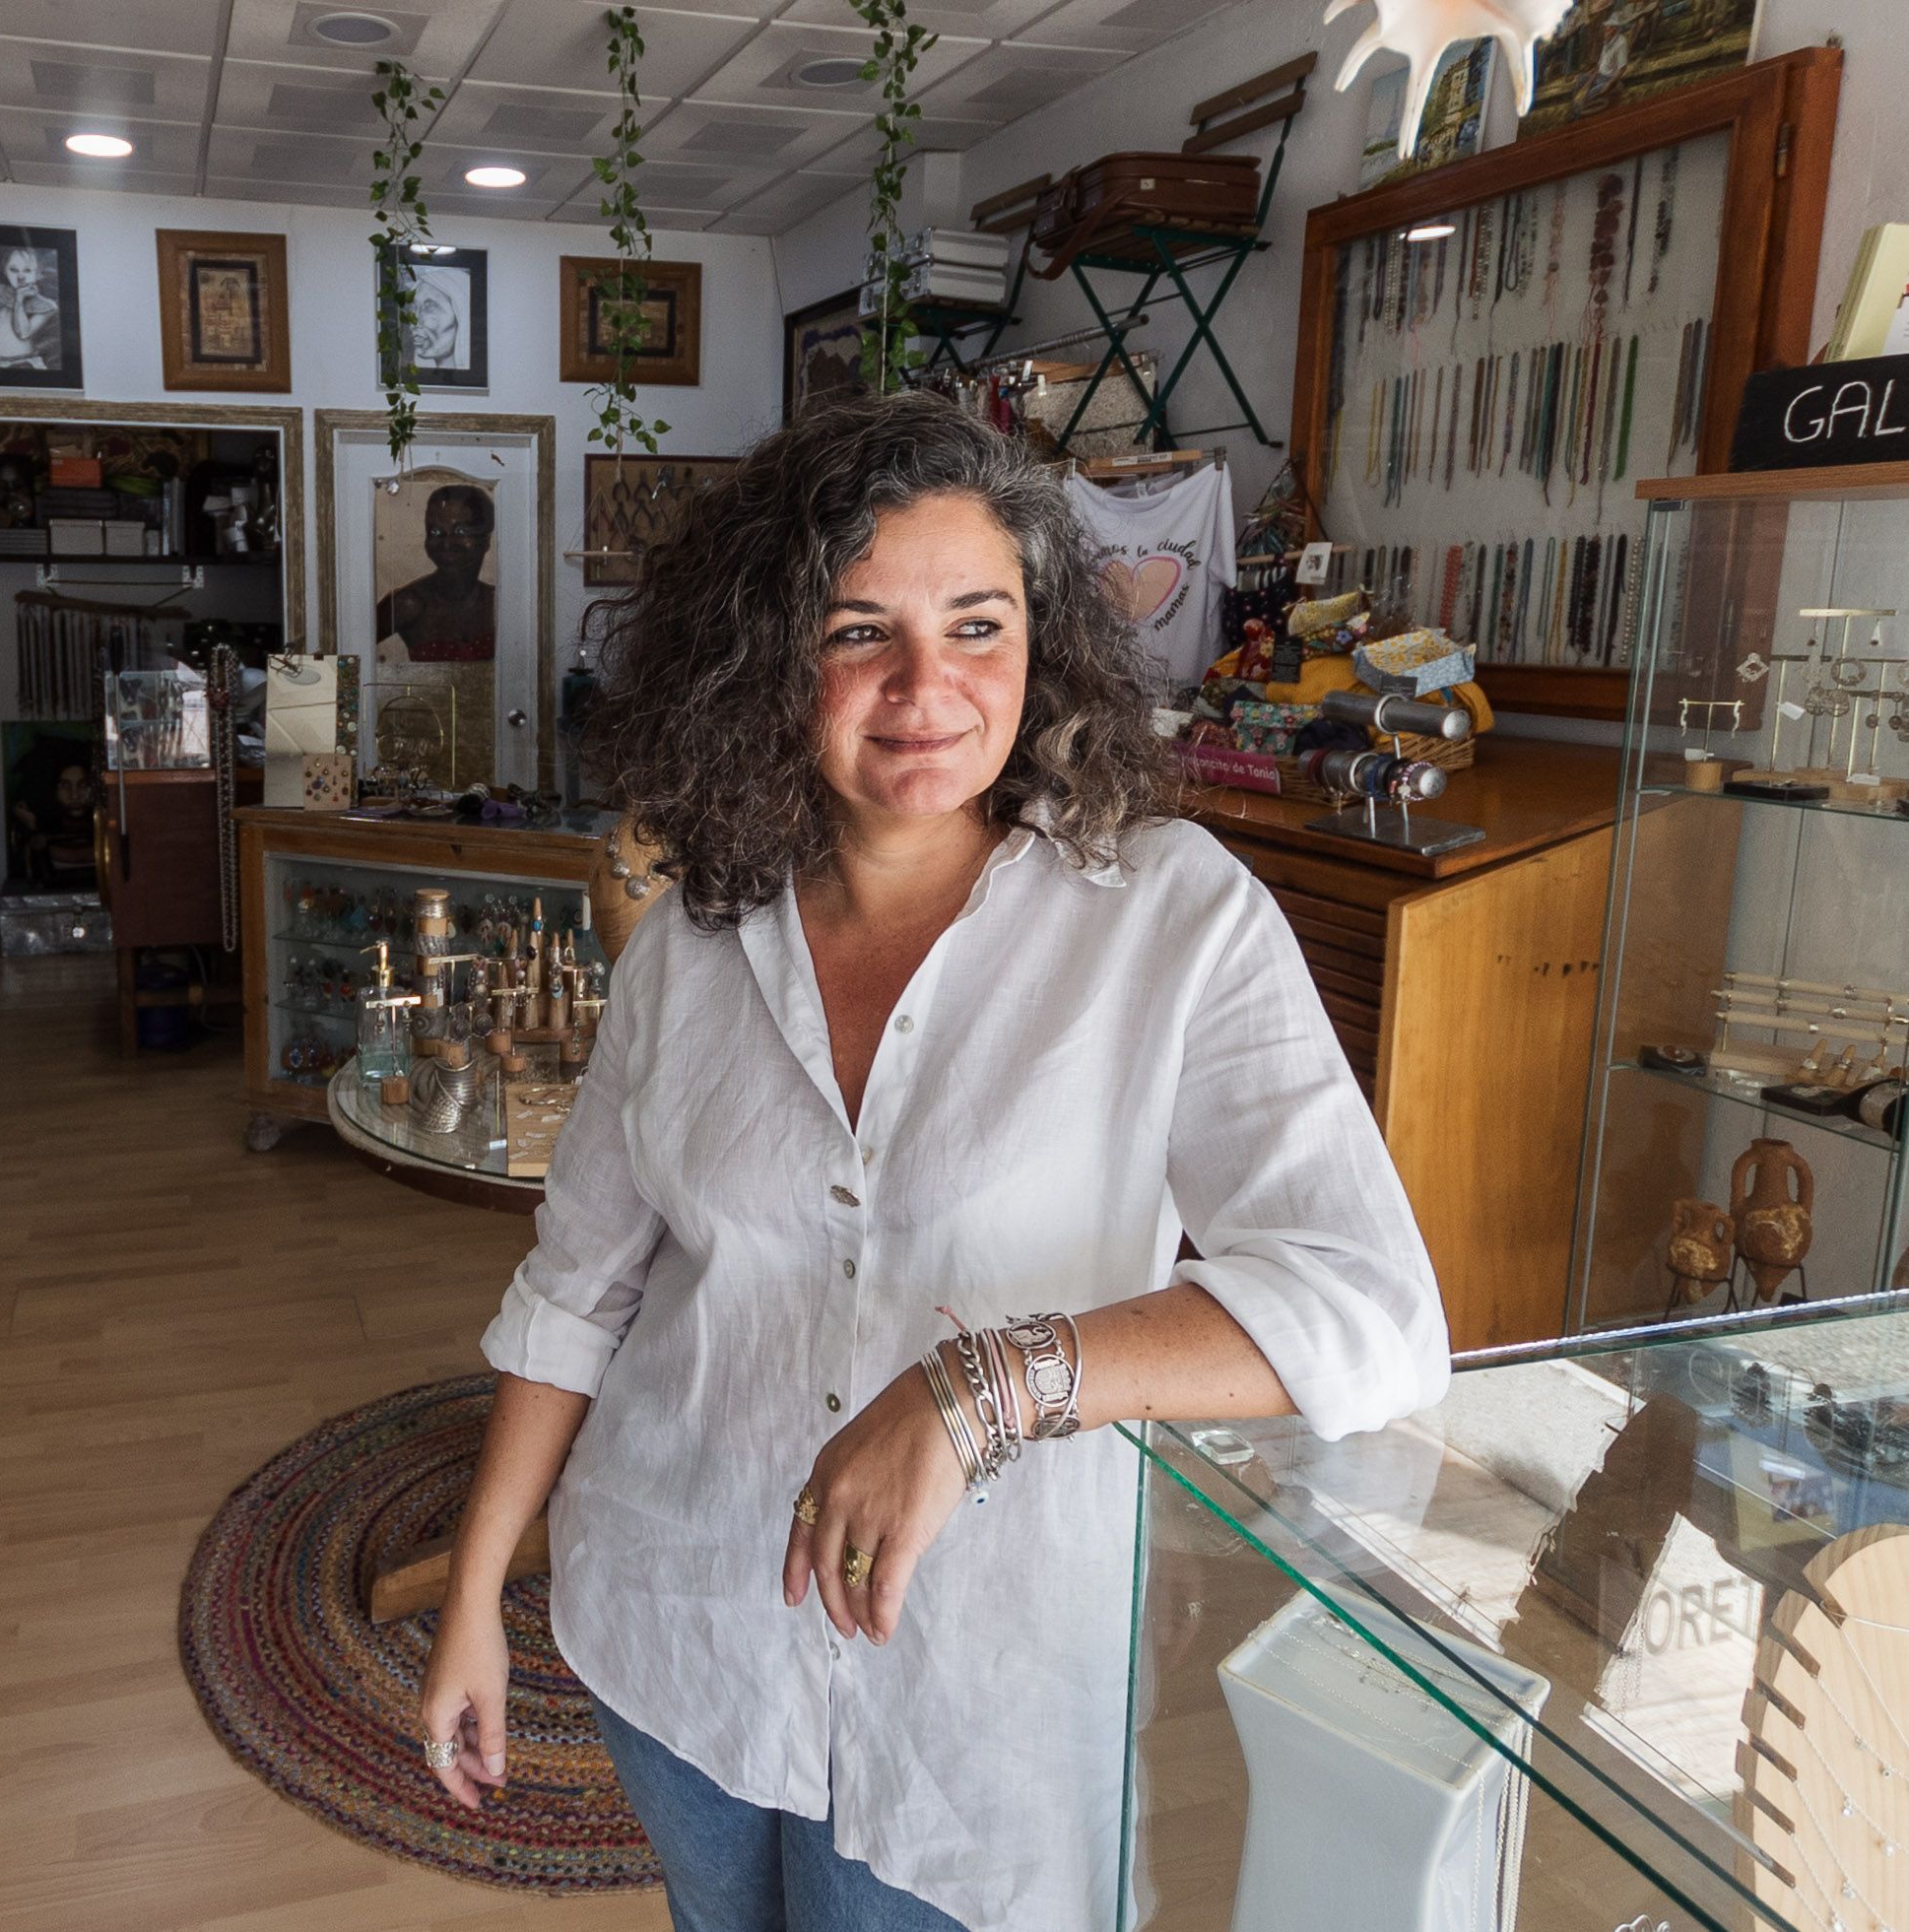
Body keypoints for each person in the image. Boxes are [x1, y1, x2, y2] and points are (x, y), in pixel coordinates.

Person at [416, 391, 1448, 1931]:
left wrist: (981, 1391)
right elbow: (576, 1291)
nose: (926, 688)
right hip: (682, 1627)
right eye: (857, 632)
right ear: (768, 659)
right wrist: (474, 1595)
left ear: (1042, 647)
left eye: (978, 625)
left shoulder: (1169, 916)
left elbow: (1371, 1311)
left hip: (977, 1685)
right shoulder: (692, 941)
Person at [375, 483, 497, 662]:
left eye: (461, 531)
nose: (447, 543)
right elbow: (342, 647)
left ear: (485, 540)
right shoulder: (407, 604)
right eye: (435, 531)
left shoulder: (497, 604)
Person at [0, 248, 61, 369]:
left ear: (38, 273)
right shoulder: (3, 293)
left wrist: (19, 300)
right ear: (5, 271)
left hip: (25, 363)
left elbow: (23, 333)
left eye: (27, 270)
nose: (20, 276)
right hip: (0, 363)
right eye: (13, 270)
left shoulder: (46, 306)